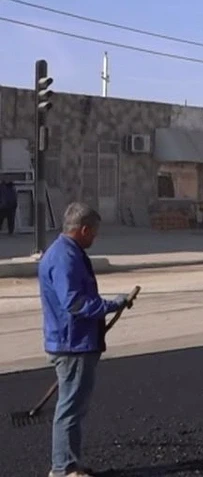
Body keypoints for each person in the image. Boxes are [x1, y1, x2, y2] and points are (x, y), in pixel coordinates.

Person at [39, 202, 136, 477]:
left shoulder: (67, 252)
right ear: (83, 229)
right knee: (70, 409)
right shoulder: (64, 257)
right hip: (73, 344)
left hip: (75, 341)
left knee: (74, 407)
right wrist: (109, 306)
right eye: (93, 232)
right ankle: (63, 469)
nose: (94, 237)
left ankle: (70, 462)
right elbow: (74, 303)